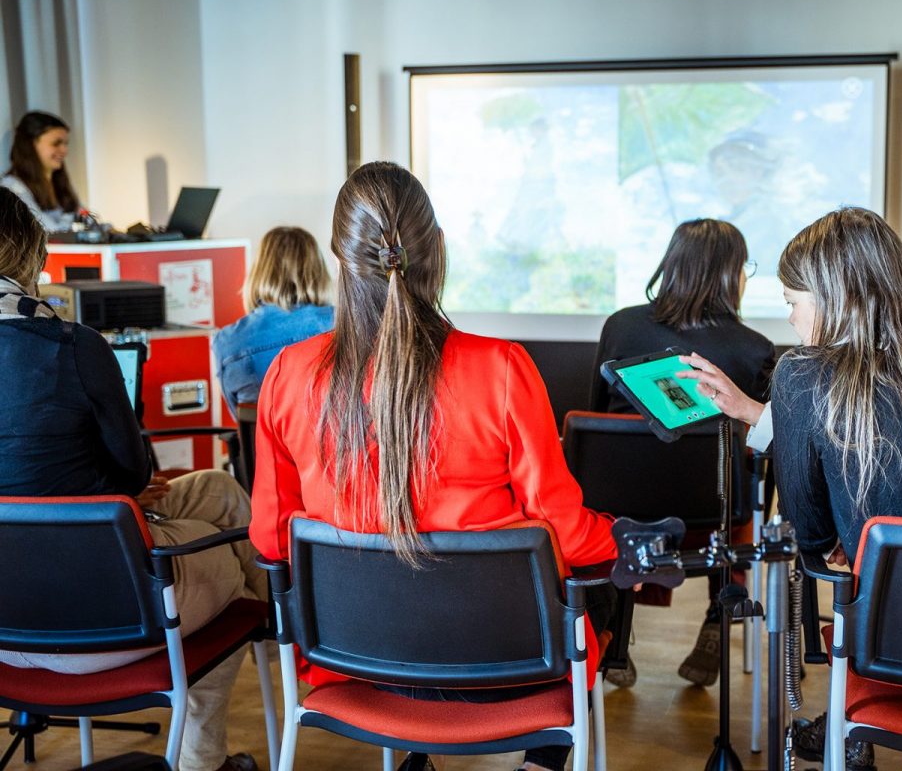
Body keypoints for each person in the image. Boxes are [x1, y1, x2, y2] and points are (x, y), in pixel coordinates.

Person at [249, 161, 617, 771]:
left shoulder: (289, 374)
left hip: (356, 665)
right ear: (438, 251)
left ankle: (416, 752)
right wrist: (620, 538)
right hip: (503, 667)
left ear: (340, 262)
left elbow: (270, 536)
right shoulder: (501, 369)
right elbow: (565, 530)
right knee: (595, 588)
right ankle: (543, 759)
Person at [679, 207, 902, 771]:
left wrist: (846, 539)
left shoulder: (803, 372)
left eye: (793, 303)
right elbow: (880, 427)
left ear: (829, 299)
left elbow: (813, 536)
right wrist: (758, 413)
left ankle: (856, 732)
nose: (794, 322)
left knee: (855, 577)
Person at [0, 188, 264, 771]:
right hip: (100, 615)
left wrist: (100, 491)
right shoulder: (71, 344)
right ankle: (209, 755)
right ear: (24, 257)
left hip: (9, 621)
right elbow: (134, 470)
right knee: (232, 579)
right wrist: (108, 488)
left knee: (218, 492)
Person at [588, 218, 776, 689]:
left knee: (615, 492)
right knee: (739, 484)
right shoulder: (755, 350)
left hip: (625, 519)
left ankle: (615, 632)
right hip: (711, 522)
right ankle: (721, 608)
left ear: (671, 265)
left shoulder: (620, 326)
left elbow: (596, 421)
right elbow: (761, 444)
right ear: (732, 273)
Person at [212, 226, 333, 416]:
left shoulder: (227, 341)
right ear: (317, 272)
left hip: (258, 445)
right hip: (331, 444)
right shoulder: (343, 324)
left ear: (259, 272)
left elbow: (240, 419)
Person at [1, 111, 82, 232]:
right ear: (31, 145)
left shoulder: (61, 183)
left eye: (65, 144)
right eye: (56, 143)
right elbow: (45, 229)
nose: (65, 151)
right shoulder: (12, 186)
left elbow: (85, 217)